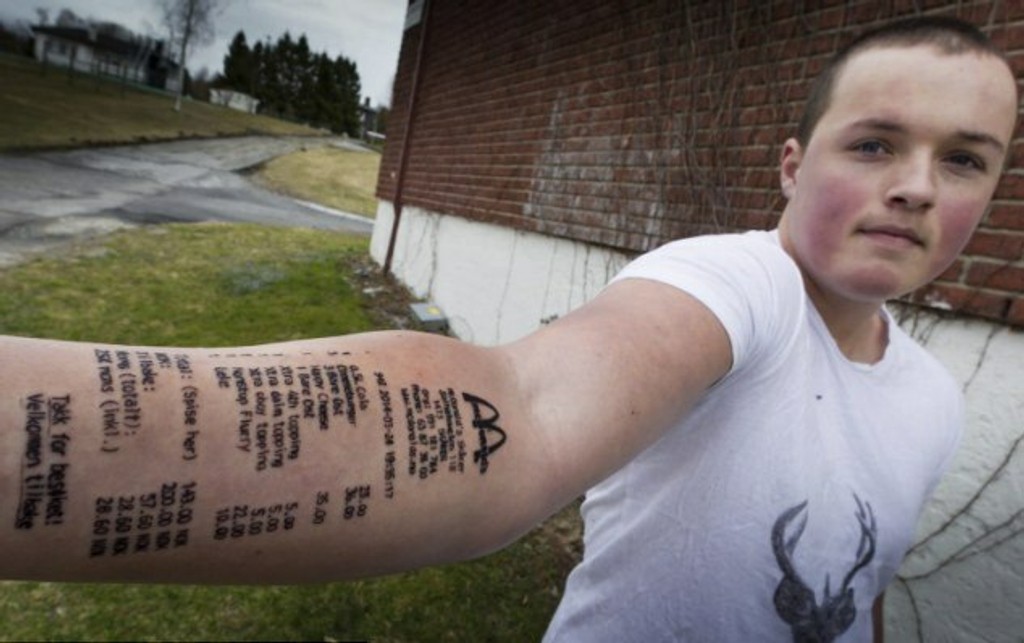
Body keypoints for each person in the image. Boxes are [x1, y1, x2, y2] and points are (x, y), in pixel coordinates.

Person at [0, 15, 1016, 642]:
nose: (916, 188)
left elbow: (861, 586)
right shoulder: (739, 285)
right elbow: (522, 413)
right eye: (874, 143)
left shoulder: (931, 401)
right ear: (792, 166)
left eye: (964, 159)